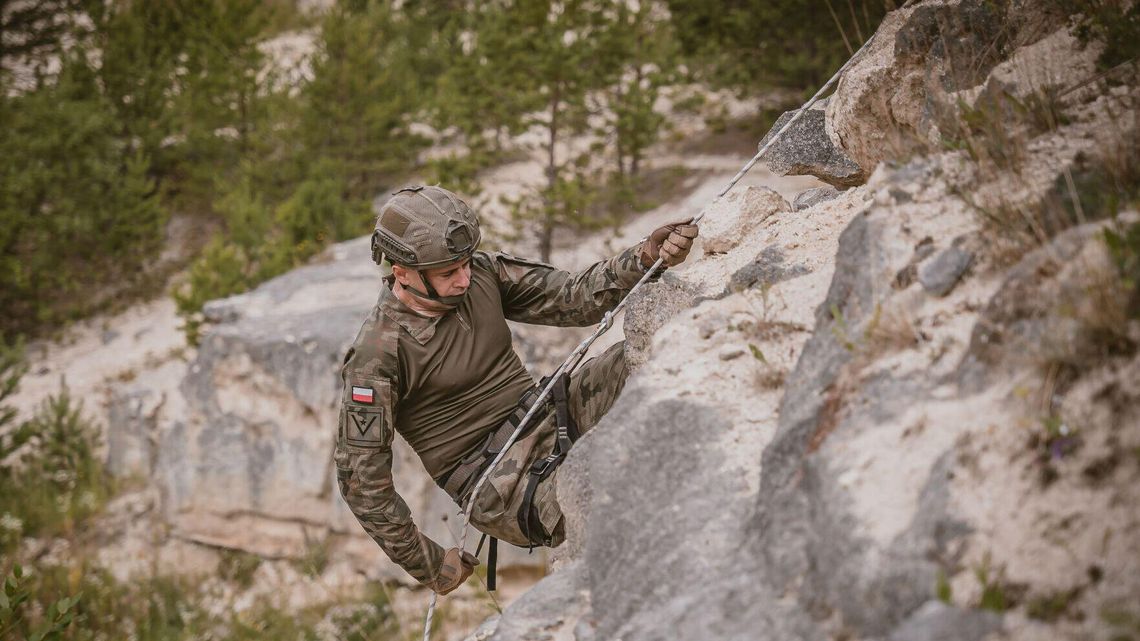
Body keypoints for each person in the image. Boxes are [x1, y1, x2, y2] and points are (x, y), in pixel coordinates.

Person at [334, 185, 698, 594]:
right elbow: (361, 480)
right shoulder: (378, 353)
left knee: (664, 351)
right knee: (608, 492)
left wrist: (644, 257)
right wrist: (430, 564)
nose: (463, 278)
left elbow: (574, 296)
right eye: (447, 273)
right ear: (401, 272)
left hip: (547, 412)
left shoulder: (481, 274)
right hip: (503, 487)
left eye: (465, 263)